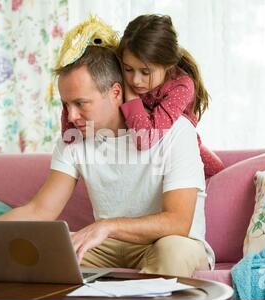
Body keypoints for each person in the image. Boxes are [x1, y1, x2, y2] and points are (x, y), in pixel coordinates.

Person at [0, 19, 214, 277]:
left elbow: (177, 221)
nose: (71, 116)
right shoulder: (75, 139)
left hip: (175, 242)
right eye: (66, 104)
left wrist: (108, 226)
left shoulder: (176, 132)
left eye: (81, 104)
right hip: (112, 245)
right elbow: (40, 209)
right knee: (43, 255)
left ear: (115, 93)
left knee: (171, 252)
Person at [61, 14, 224, 179]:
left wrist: (131, 94)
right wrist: (71, 99)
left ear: (168, 65)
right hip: (141, 158)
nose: (135, 80)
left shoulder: (182, 86)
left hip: (171, 142)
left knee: (217, 171)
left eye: (145, 72)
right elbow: (70, 137)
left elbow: (145, 139)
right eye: (128, 69)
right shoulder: (121, 70)